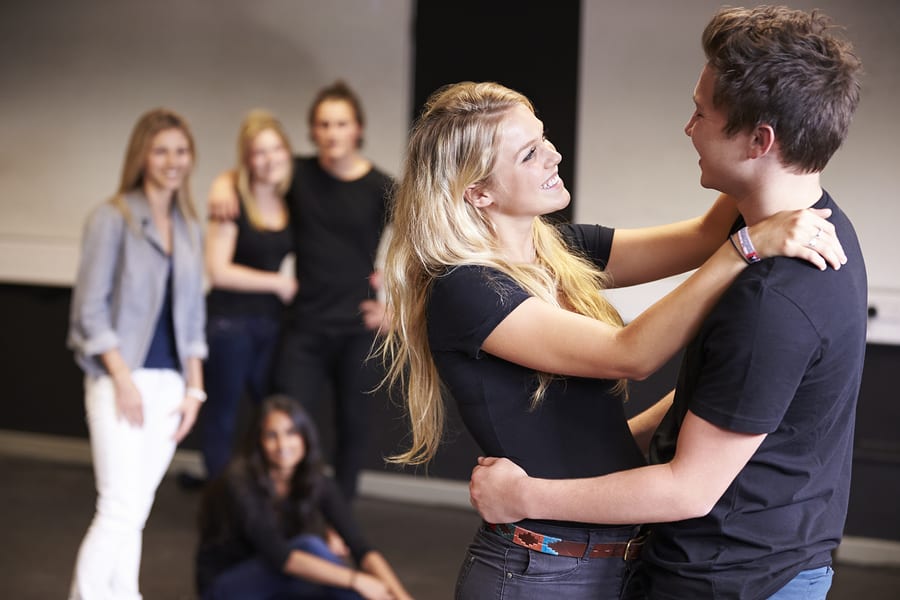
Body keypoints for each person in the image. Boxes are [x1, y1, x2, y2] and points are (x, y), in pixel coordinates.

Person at [380, 79, 846, 599]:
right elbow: (631, 355)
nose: (553, 155)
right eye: (529, 153)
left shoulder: (562, 250)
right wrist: (745, 249)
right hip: (536, 571)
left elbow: (699, 238)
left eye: (544, 137)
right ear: (478, 191)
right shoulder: (465, 290)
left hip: (619, 564)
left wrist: (759, 155)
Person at [469, 6, 865, 600]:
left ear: (760, 141)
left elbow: (688, 488)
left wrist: (526, 495)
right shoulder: (821, 224)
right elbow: (731, 398)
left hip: (728, 578)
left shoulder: (772, 295)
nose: (689, 128)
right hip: (766, 562)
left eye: (701, 113)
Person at [209, 80, 392, 500]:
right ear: (312, 131)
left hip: (356, 331)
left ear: (357, 129)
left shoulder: (382, 188)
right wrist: (222, 183)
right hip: (302, 327)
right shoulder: (298, 175)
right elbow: (251, 169)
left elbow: (426, 245)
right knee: (285, 427)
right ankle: (284, 515)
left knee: (353, 430)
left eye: (340, 123)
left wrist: (399, 306)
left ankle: (337, 524)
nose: (332, 132)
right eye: (323, 124)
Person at [67, 108, 207, 599]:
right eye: (162, 149)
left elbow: (192, 320)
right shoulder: (112, 217)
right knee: (119, 508)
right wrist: (122, 379)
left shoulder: (190, 227)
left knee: (135, 509)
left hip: (171, 386)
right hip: (118, 380)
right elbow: (90, 310)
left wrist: (195, 389)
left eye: (181, 150)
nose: (173, 160)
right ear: (142, 155)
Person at [195, 395, 413, 600]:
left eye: (291, 433)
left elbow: (360, 548)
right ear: (258, 441)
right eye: (272, 435)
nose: (283, 445)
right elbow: (281, 557)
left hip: (279, 581)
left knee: (327, 581)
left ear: (305, 436)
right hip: (227, 586)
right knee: (311, 549)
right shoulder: (239, 482)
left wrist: (402, 596)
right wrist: (355, 580)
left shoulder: (316, 481)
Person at [199, 109, 298, 483]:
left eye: (275, 149)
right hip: (229, 323)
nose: (268, 159)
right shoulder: (231, 202)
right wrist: (277, 283)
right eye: (258, 152)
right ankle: (220, 506)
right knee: (222, 416)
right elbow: (218, 270)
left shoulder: (288, 198)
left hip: (270, 324)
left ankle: (256, 494)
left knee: (269, 414)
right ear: (246, 158)